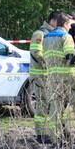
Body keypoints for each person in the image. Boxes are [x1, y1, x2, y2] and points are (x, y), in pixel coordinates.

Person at [38, 14, 75, 144]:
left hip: (53, 79)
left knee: (55, 110)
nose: (70, 27)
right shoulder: (66, 36)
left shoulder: (46, 38)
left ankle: (55, 138)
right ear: (64, 24)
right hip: (70, 78)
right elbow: (70, 56)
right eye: (69, 24)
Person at [29, 11, 58, 141]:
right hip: (40, 75)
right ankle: (41, 134)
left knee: (48, 105)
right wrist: (49, 63)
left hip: (48, 76)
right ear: (52, 21)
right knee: (42, 105)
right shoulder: (40, 34)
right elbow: (36, 52)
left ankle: (47, 132)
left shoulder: (52, 35)